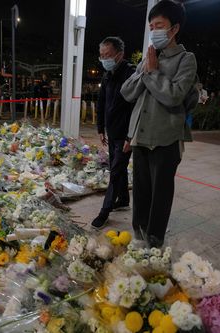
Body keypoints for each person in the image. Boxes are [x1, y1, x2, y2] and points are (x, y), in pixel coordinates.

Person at [120, 0, 198, 247]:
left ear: (174, 29)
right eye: (151, 26)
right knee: (141, 192)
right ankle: (139, 237)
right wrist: (147, 70)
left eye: (159, 25)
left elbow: (173, 95)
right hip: (140, 137)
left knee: (159, 197)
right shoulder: (149, 57)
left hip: (166, 139)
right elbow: (127, 92)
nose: (154, 31)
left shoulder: (186, 59)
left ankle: (154, 242)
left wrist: (153, 73)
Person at [91, 36, 135, 229]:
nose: (104, 59)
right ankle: (124, 199)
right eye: (101, 56)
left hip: (125, 135)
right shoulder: (107, 74)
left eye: (107, 55)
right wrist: (100, 128)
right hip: (112, 132)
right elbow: (101, 103)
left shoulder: (130, 74)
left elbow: (136, 107)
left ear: (119, 54)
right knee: (119, 168)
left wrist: (130, 135)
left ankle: (104, 212)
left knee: (115, 172)